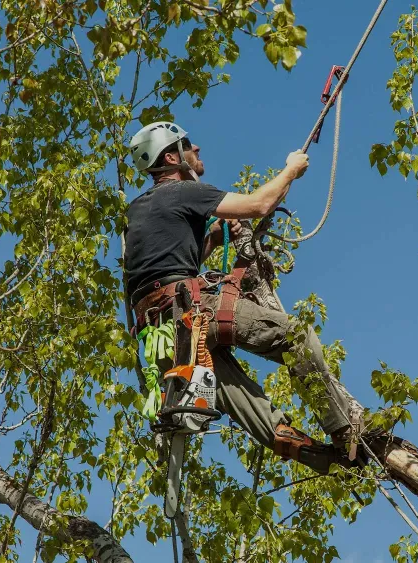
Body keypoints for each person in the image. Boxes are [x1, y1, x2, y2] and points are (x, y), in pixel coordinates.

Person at [123, 121, 364, 473]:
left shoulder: (138, 209)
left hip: (164, 338)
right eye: (188, 144)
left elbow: (168, 264)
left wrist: (217, 232)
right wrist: (291, 171)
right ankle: (346, 431)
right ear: (173, 157)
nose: (198, 149)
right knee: (296, 337)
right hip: (191, 312)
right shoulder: (183, 192)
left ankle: (330, 463)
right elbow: (260, 203)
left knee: (251, 407)